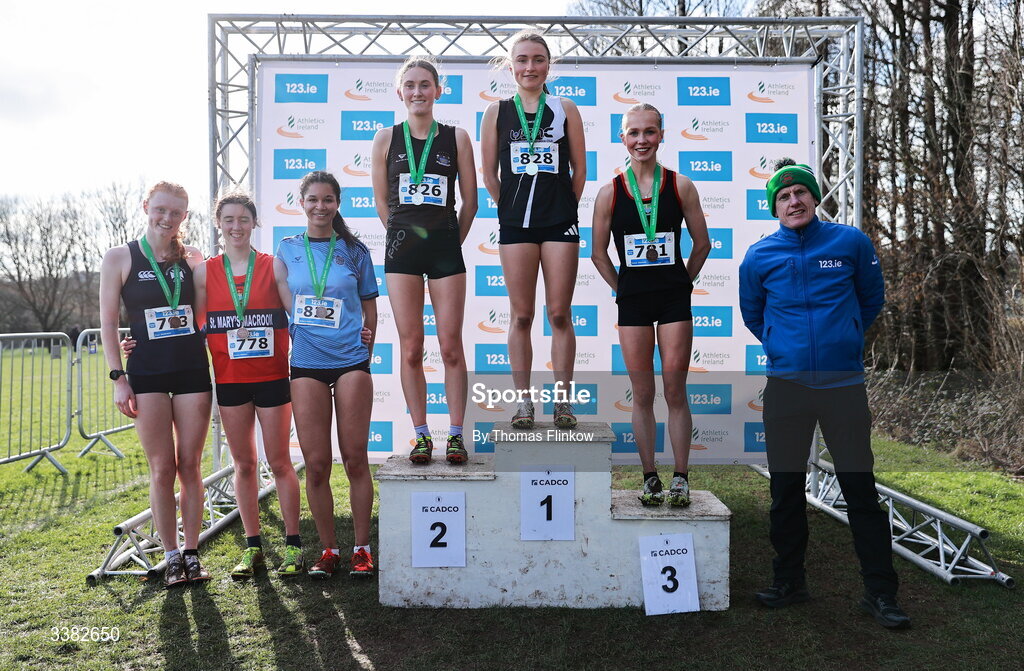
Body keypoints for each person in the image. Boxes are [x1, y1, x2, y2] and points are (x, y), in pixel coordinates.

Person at [738, 159, 910, 629]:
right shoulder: (758, 256)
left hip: (843, 386)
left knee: (860, 491)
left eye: (800, 192)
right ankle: (789, 581)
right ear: (774, 208)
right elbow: (753, 314)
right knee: (785, 491)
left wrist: (845, 337)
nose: (793, 201)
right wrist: (780, 345)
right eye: (783, 196)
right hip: (787, 387)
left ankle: (880, 593)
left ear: (814, 198)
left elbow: (871, 299)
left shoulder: (850, 242)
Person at [591, 104, 711, 507]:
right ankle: (649, 478)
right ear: (622, 138)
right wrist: (622, 289)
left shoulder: (681, 185)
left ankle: (680, 477)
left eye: (649, 132)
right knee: (642, 393)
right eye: (634, 133)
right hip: (633, 306)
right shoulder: (609, 192)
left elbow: (703, 243)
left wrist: (682, 283)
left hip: (674, 300)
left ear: (661, 135)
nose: (641, 140)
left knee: (675, 390)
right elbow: (597, 254)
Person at [99, 181, 212, 588]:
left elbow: (203, 317)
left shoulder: (193, 258)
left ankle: (192, 552)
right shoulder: (119, 257)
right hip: (146, 374)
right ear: (146, 206)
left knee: (190, 466)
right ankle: (171, 556)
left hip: (192, 371)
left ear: (185, 216)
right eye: (160, 209)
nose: (167, 218)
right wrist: (119, 378)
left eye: (176, 212)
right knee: (162, 468)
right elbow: (108, 323)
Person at [371, 56, 477, 465]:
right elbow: (382, 202)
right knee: (412, 347)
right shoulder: (385, 138)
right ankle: (421, 435)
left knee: (450, 346)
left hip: (445, 248)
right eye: (410, 85)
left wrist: (450, 240)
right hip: (402, 252)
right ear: (400, 92)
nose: (418, 92)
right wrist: (401, 235)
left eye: (425, 84)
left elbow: (470, 201)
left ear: (438, 90)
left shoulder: (457, 137)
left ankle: (456, 435)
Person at [274, 171, 379, 580]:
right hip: (306, 364)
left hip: (350, 361)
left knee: (355, 459)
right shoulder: (286, 249)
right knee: (316, 464)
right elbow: (282, 300)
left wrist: (366, 347)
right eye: (313, 199)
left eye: (328, 200)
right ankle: (329, 550)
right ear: (301, 202)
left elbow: (370, 307)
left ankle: (362, 550)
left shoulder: (355, 250)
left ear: (337, 204)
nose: (321, 206)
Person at [480, 31, 586, 430]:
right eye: (522, 60)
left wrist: (564, 207)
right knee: (521, 315)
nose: (530, 67)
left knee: (559, 313)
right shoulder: (496, 112)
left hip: (559, 222)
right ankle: (523, 402)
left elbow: (579, 170)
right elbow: (490, 175)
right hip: (516, 226)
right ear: (511, 66)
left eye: (538, 59)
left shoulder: (565, 108)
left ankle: (563, 401)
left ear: (548, 65)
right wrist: (509, 207)